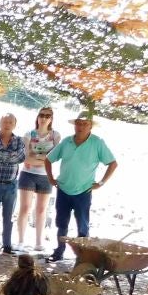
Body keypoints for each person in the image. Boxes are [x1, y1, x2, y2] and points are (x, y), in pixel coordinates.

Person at [44, 111, 117, 264]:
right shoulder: (66, 142)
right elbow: (48, 159)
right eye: (78, 123)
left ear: (90, 126)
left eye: (85, 124)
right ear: (74, 125)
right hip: (63, 189)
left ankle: (83, 258)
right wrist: (50, 178)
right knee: (61, 223)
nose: (81, 127)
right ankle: (59, 251)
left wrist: (101, 182)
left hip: (83, 191)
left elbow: (112, 163)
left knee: (82, 226)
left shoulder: (97, 143)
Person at [16, 107, 59, 253]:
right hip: (27, 174)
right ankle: (21, 241)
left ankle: (39, 242)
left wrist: (38, 159)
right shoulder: (29, 134)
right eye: (42, 115)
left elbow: (54, 158)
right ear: (37, 117)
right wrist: (44, 159)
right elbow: (25, 157)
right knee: (25, 207)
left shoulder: (56, 136)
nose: (44, 118)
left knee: (41, 210)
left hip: (46, 176)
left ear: (51, 119)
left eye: (48, 116)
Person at [0, 113, 26, 257]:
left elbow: (20, 157)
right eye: (5, 121)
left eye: (10, 122)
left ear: (14, 124)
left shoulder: (19, 141)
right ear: (0, 123)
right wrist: (10, 157)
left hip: (11, 185)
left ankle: (7, 245)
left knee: (9, 218)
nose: (7, 124)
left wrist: (3, 156)